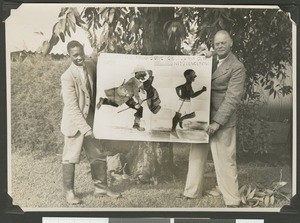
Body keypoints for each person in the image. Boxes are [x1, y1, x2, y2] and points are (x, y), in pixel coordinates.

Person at [179, 30, 246, 207]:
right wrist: (202, 57)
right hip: (202, 116)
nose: (220, 45)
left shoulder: (237, 67)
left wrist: (217, 122)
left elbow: (233, 98)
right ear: (213, 46)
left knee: (225, 160)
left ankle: (232, 199)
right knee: (196, 155)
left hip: (221, 120)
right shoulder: (210, 60)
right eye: (217, 43)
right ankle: (191, 192)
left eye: (224, 42)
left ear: (231, 43)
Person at [60, 40, 121, 204]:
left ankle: (101, 188)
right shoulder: (67, 77)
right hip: (75, 124)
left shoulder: (90, 66)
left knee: (98, 155)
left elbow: (99, 60)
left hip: (92, 120)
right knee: (70, 157)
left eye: (81, 53)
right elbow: (72, 107)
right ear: (69, 55)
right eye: (75, 55)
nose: (79, 57)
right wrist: (86, 129)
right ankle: (69, 193)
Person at [97, 66, 150, 131]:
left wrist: (142, 90)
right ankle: (103, 100)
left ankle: (136, 124)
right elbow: (136, 93)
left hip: (127, 97)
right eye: (141, 75)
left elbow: (139, 89)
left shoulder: (137, 81)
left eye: (143, 75)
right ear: (137, 74)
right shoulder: (134, 81)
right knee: (138, 108)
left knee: (138, 108)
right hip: (124, 96)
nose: (142, 77)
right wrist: (139, 101)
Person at [171, 69, 207, 138]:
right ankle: (173, 130)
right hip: (183, 102)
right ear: (187, 77)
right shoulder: (188, 85)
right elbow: (192, 95)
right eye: (193, 75)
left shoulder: (188, 84)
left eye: (194, 75)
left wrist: (179, 94)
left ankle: (180, 120)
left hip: (186, 101)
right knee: (177, 116)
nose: (194, 77)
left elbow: (177, 88)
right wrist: (202, 90)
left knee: (192, 114)